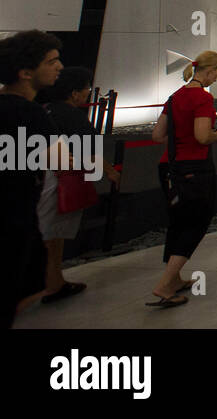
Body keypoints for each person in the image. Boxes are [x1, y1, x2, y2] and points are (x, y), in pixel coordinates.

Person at [150, 50, 217, 308]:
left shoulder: (175, 97)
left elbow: (157, 135)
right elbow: (202, 136)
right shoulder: (202, 99)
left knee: (178, 221)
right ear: (208, 71)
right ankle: (164, 284)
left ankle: (174, 278)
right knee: (196, 222)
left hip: (170, 167)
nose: (216, 79)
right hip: (194, 169)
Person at [37, 66, 119, 302]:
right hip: (58, 180)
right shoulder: (72, 116)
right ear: (74, 93)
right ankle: (49, 283)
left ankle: (53, 281)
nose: (87, 93)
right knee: (51, 234)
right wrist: (110, 172)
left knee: (51, 234)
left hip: (42, 178)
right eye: (85, 89)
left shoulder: (44, 110)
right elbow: (88, 152)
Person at [1, 30, 63, 327]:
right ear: (25, 73)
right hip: (14, 216)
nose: (59, 67)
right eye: (51, 61)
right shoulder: (30, 113)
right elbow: (60, 158)